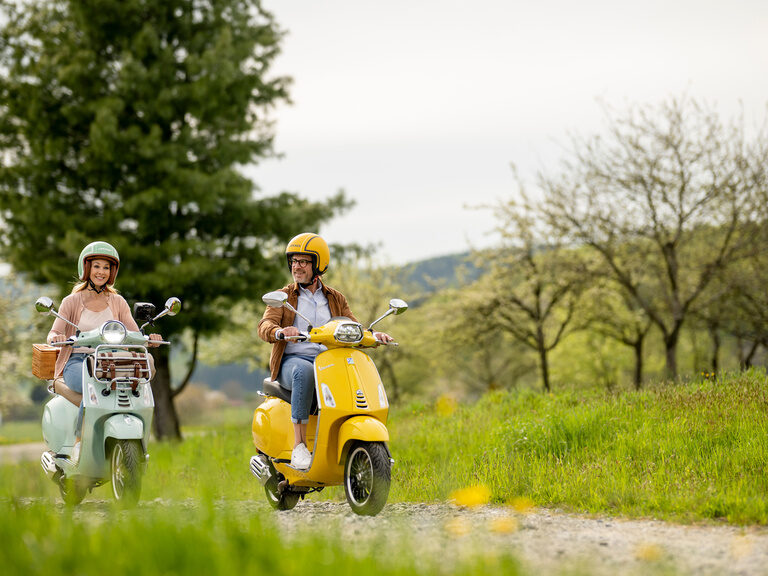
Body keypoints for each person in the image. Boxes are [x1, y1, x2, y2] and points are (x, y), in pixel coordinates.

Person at [258, 232, 392, 470]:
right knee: (304, 371)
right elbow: (265, 325)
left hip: (329, 361)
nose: (296, 267)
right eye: (294, 261)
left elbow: (353, 326)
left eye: (303, 262)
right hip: (294, 360)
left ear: (318, 265)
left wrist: (374, 335)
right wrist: (279, 332)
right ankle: (299, 445)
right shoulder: (285, 296)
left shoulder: (335, 297)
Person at [46, 241, 161, 461]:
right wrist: (58, 338)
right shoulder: (71, 301)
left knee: (144, 365)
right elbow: (53, 334)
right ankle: (79, 442)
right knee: (93, 387)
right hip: (78, 361)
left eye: (106, 267)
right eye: (97, 266)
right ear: (86, 268)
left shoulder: (118, 302)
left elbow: (134, 334)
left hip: (112, 362)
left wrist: (149, 339)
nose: (101, 272)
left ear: (112, 272)